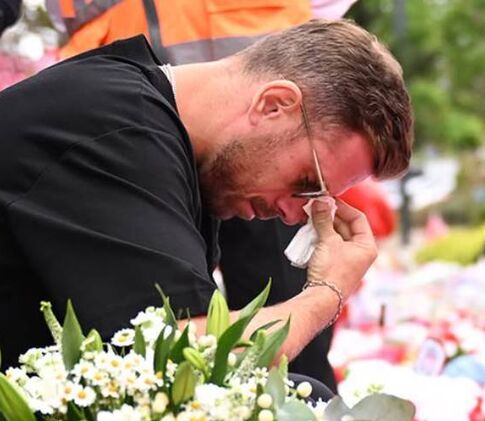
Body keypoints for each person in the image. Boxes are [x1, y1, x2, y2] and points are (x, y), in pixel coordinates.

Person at [0, 19, 413, 370]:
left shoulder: (155, 130)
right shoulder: (117, 131)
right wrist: (327, 293)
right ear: (274, 105)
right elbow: (184, 357)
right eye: (306, 182)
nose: (293, 215)